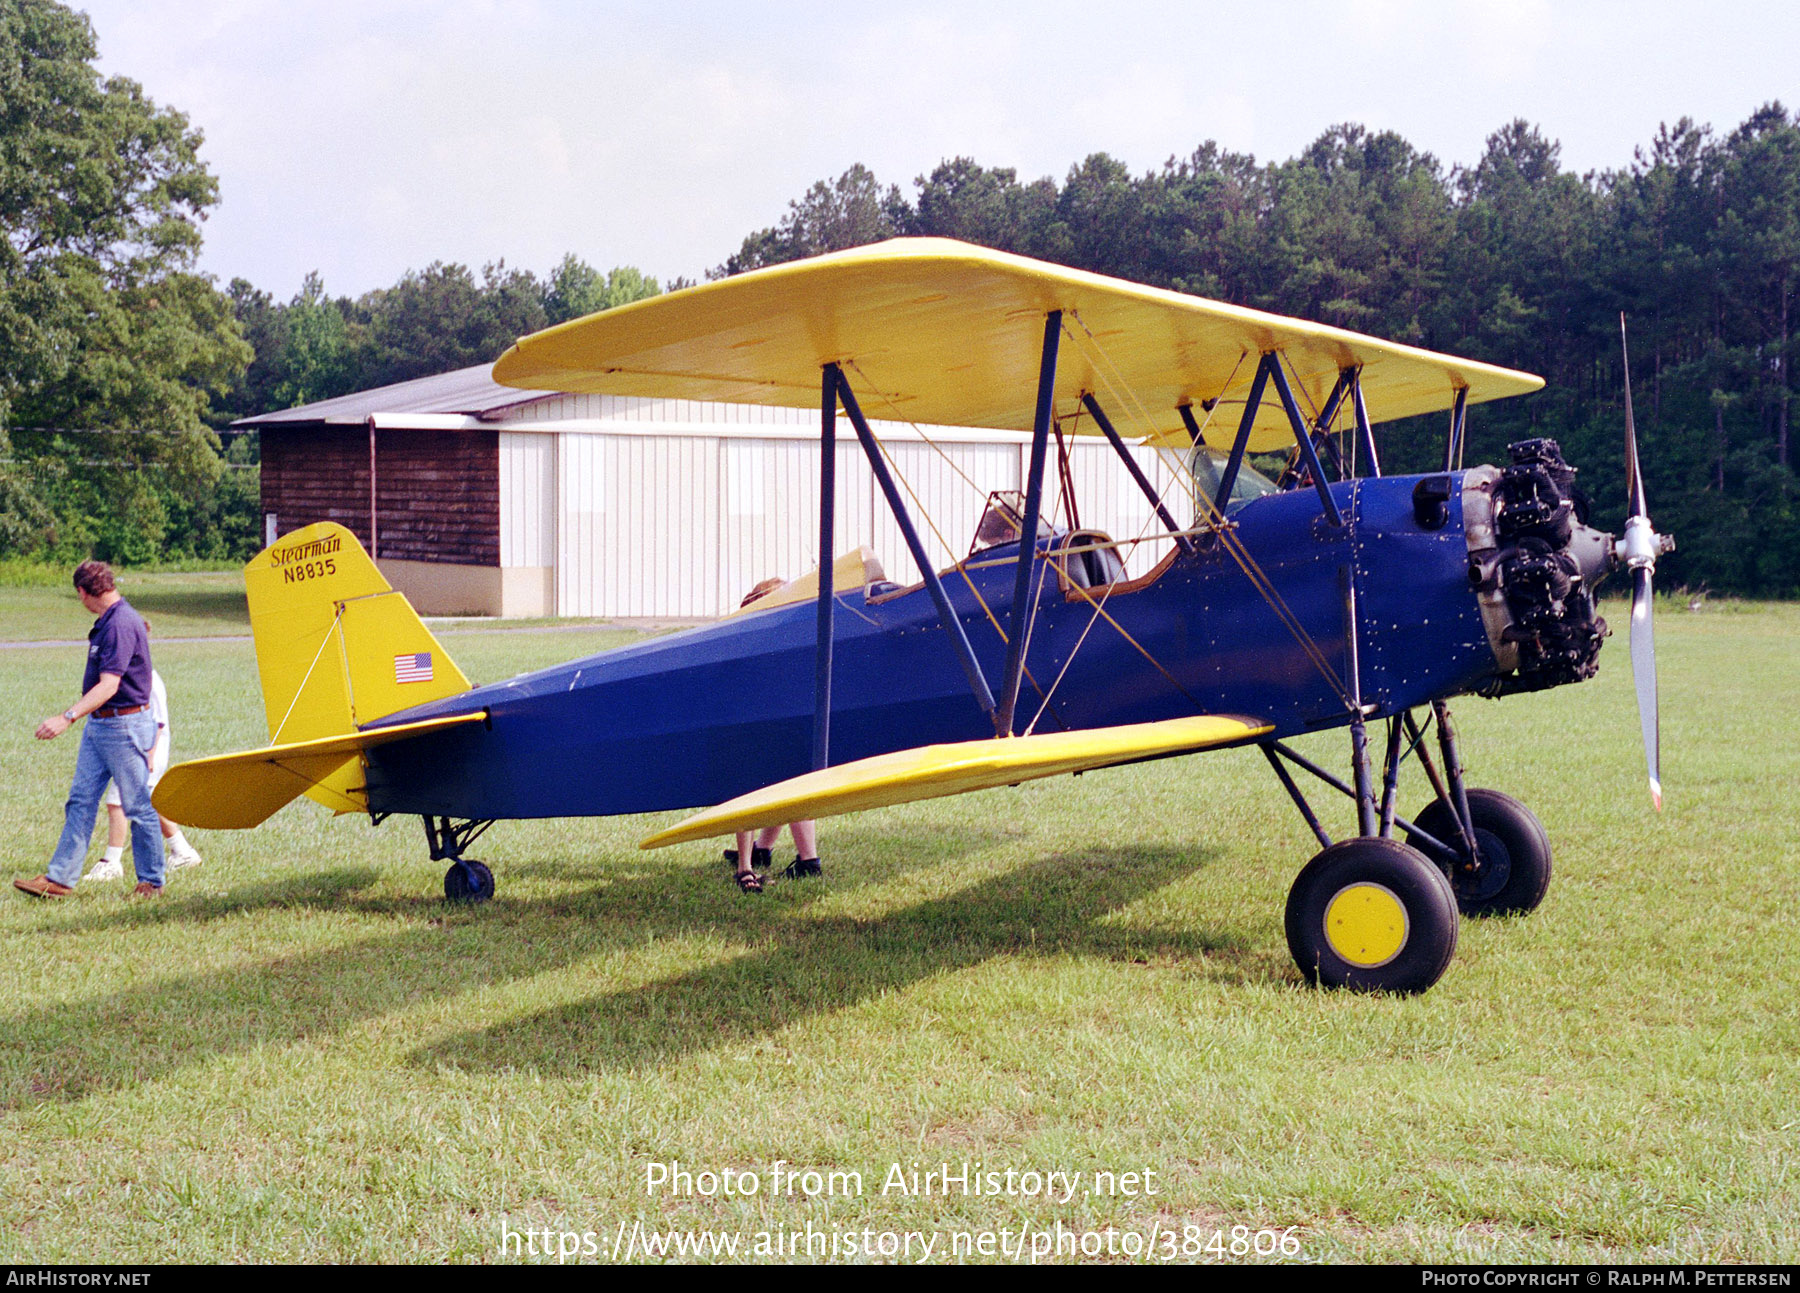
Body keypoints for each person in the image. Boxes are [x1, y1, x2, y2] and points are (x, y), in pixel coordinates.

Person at [16, 560, 165, 899]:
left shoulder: (120, 623)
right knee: (81, 801)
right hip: (101, 725)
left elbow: (109, 685)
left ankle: (152, 882)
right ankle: (60, 880)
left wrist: (66, 717)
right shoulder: (108, 621)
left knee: (137, 805)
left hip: (124, 725)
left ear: (83, 592)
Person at [722, 576, 823, 895]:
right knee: (790, 783)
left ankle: (747, 865)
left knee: (753, 789)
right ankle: (772, 851)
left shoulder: (755, 637)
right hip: (789, 721)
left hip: (766, 723)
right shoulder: (795, 630)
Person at [83, 666, 202, 882]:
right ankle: (183, 851)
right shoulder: (131, 673)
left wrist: (149, 753)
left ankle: (112, 861)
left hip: (148, 749)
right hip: (139, 747)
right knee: (149, 801)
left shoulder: (147, 677)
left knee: (116, 802)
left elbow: (158, 720)